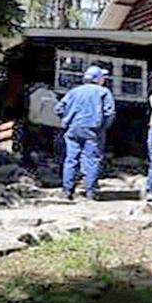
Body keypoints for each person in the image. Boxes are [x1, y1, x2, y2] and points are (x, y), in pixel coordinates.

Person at [53, 65, 115, 201]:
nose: (104, 79)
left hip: (73, 129)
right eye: (103, 77)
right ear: (97, 79)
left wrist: (67, 120)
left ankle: (67, 191)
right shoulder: (103, 92)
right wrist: (103, 127)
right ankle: (90, 192)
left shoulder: (74, 91)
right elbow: (109, 113)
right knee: (91, 160)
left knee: (71, 159)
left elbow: (58, 108)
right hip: (93, 130)